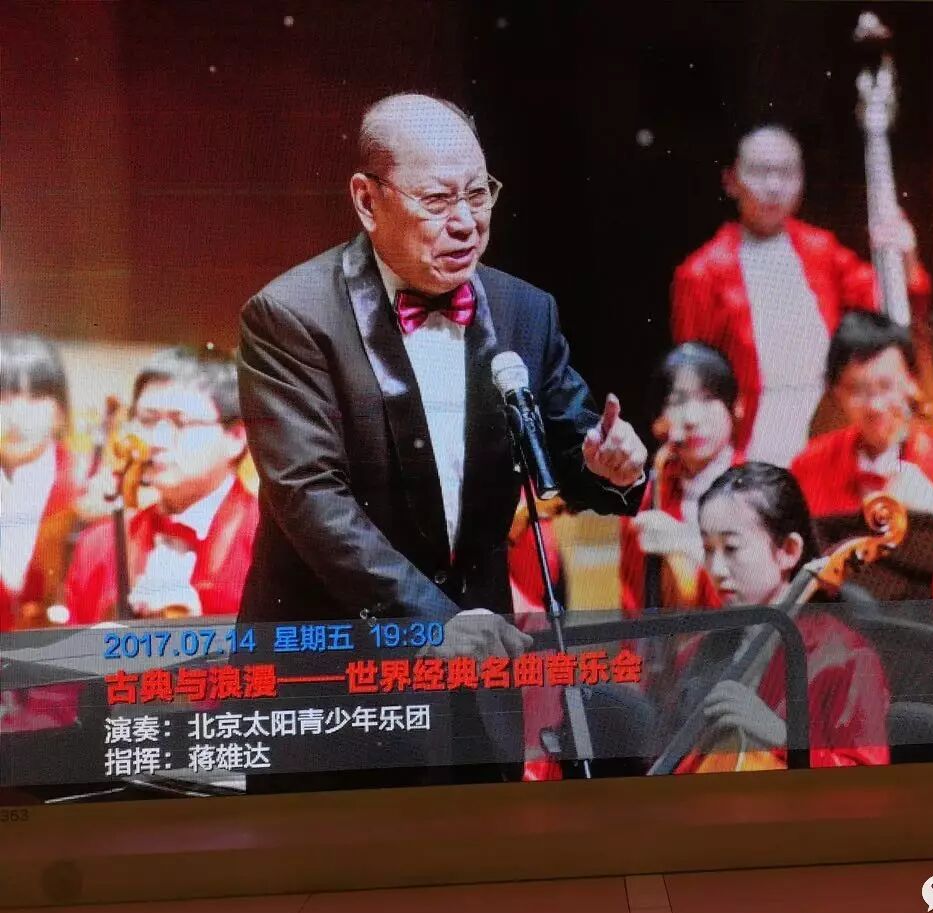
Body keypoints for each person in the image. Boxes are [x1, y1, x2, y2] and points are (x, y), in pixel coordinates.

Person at [237, 94, 647, 783]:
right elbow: (310, 496)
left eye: (478, 194)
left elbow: (570, 448)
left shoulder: (523, 309)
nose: (465, 222)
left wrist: (614, 468)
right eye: (436, 200)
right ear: (367, 201)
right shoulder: (291, 316)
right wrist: (433, 622)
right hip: (335, 683)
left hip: (478, 683)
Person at [671, 125, 930, 466]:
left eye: (787, 173)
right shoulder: (701, 272)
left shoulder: (821, 248)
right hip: (750, 437)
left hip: (829, 422)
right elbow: (694, 379)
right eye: (759, 172)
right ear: (731, 181)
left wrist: (904, 258)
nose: (774, 186)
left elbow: (891, 312)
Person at [658, 462, 890, 772]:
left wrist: (783, 738)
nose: (716, 569)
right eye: (708, 549)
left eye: (731, 548)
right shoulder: (695, 653)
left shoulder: (846, 659)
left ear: (789, 550)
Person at [63, 346, 259, 623]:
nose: (157, 440)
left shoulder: (273, 542)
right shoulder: (97, 546)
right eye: (147, 420)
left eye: (181, 422)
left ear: (236, 438)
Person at [790, 310, 933, 518]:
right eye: (857, 390)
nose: (875, 406)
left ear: (913, 382)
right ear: (837, 394)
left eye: (886, 386)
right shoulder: (809, 466)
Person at [618, 343, 744, 615]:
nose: (691, 418)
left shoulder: (757, 490)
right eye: (677, 402)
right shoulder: (646, 498)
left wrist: (691, 547)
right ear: (659, 421)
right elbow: (633, 610)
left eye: (707, 398)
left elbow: (756, 602)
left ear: (736, 406)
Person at [0, 334, 81, 630]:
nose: (16, 415)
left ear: (60, 412)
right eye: (3, 397)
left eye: (34, 397)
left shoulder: (88, 490)